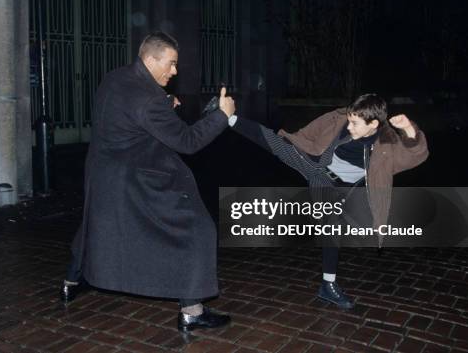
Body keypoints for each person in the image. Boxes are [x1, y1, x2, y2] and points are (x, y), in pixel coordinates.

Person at [62, 32, 235, 332]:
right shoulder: (147, 99)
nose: (175, 71)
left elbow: (130, 111)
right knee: (198, 229)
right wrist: (221, 116)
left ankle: (70, 281)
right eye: (171, 64)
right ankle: (192, 311)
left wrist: (164, 102)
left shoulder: (116, 78)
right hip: (135, 178)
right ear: (151, 59)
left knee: (95, 224)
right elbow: (187, 141)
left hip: (101, 172)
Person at [230, 94, 428, 308]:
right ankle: (229, 118)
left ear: (373, 124)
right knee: (276, 144)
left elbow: (417, 155)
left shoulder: (387, 143)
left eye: (355, 123)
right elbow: (309, 133)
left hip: (347, 188)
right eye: (349, 120)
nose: (349, 126)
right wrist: (295, 142)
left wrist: (409, 128)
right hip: (318, 170)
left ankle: (326, 285)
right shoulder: (338, 118)